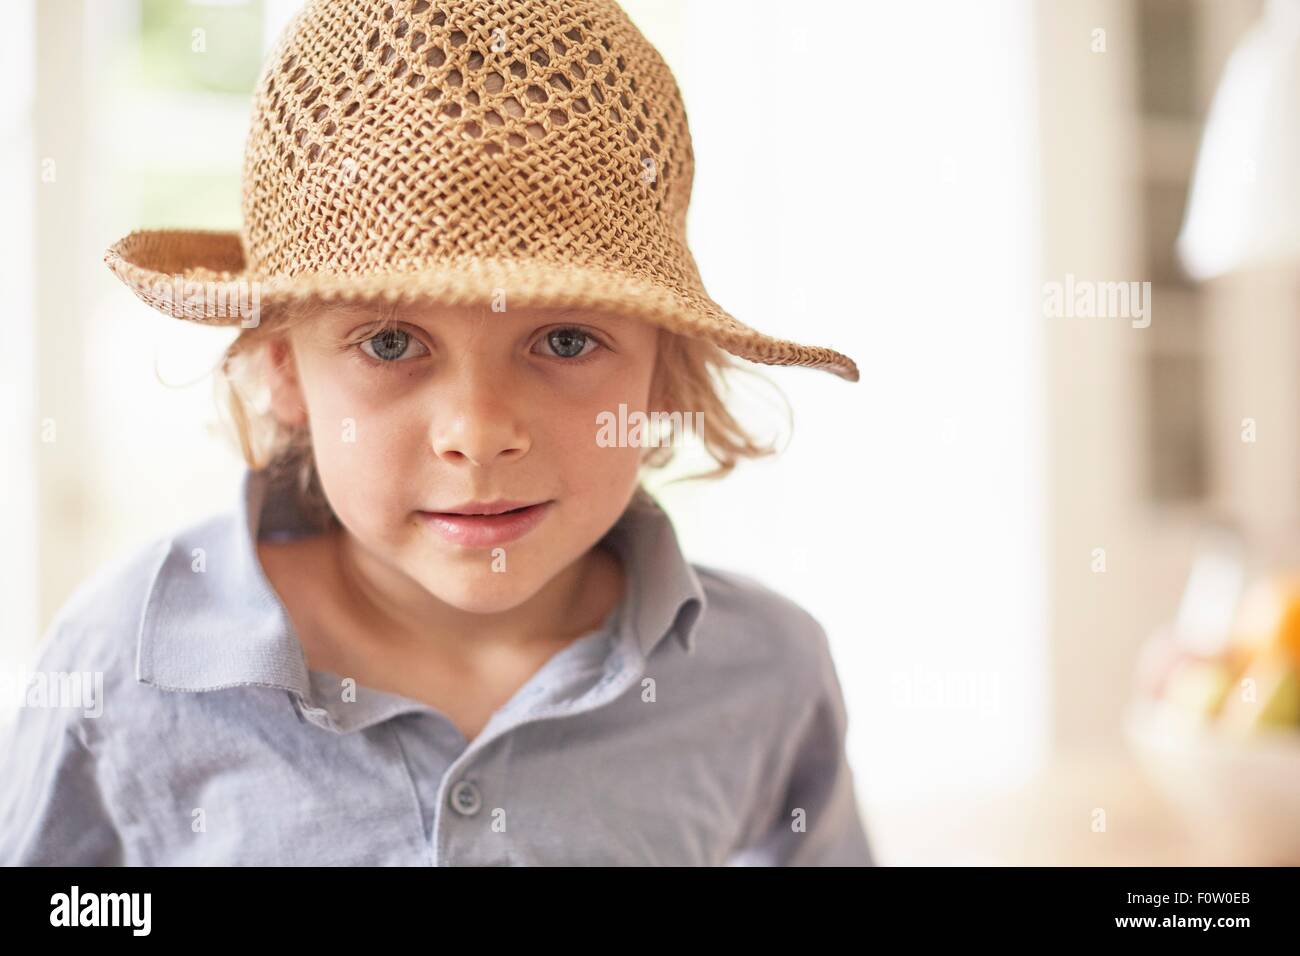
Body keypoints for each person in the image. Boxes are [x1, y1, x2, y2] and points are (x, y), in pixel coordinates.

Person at [0, 0, 869, 865]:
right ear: (283, 369)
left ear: (660, 373)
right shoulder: (124, 662)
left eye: (565, 340)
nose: (479, 434)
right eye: (389, 343)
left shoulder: (764, 675)